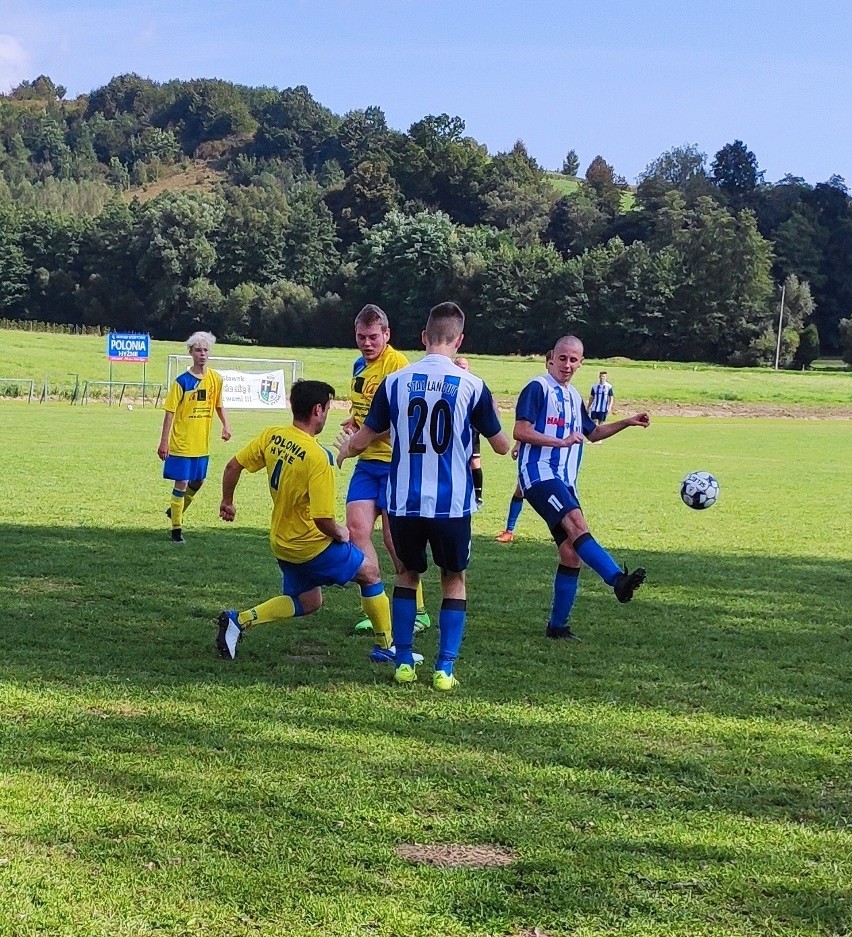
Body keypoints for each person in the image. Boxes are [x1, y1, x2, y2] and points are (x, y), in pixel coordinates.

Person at [337, 302, 511, 691]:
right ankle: (445, 668)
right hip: (452, 504)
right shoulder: (471, 385)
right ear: (459, 340)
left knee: (406, 573)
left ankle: (403, 661)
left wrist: (346, 449)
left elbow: (365, 437)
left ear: (423, 338)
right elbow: (501, 446)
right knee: (454, 578)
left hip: (404, 500)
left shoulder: (396, 381)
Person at [215, 379, 419, 668]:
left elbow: (232, 466)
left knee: (310, 602)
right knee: (370, 573)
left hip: (282, 542)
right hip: (310, 545)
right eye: (327, 409)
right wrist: (340, 533)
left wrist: (227, 501)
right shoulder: (317, 457)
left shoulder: (272, 436)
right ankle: (386, 647)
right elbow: (323, 520)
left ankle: (240, 621)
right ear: (317, 410)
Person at [513, 336, 648, 641]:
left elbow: (594, 433)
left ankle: (557, 627)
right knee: (578, 525)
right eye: (563, 358)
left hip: (564, 480)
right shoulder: (538, 387)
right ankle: (617, 580)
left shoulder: (574, 396)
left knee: (570, 553)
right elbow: (521, 430)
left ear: (581, 363)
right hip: (538, 474)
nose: (568, 365)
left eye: (574, 360)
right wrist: (558, 442)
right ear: (551, 358)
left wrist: (627, 421)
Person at [344, 304, 431, 636]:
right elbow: (365, 410)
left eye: (373, 337)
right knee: (357, 532)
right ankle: (375, 603)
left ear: (387, 335)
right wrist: (355, 423)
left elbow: (403, 419)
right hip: (367, 465)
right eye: (361, 337)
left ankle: (418, 609)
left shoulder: (398, 366)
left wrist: (363, 437)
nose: (367, 343)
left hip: (396, 463)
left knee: (394, 540)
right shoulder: (357, 366)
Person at [158, 330, 231, 544]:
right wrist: (164, 442)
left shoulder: (216, 379)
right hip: (182, 443)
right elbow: (169, 412)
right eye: (198, 350)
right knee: (181, 483)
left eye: (205, 350)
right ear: (190, 352)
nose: (202, 354)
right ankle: (176, 530)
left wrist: (226, 425)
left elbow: (218, 404)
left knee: (198, 481)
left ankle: (175, 511)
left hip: (202, 443)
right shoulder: (181, 382)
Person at [453, 357, 483, 505]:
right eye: (458, 365)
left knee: (474, 462)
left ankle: (478, 495)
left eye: (463, 367)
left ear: (468, 369)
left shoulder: (473, 385)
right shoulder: (450, 384)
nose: (461, 369)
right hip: (453, 431)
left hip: (471, 429)